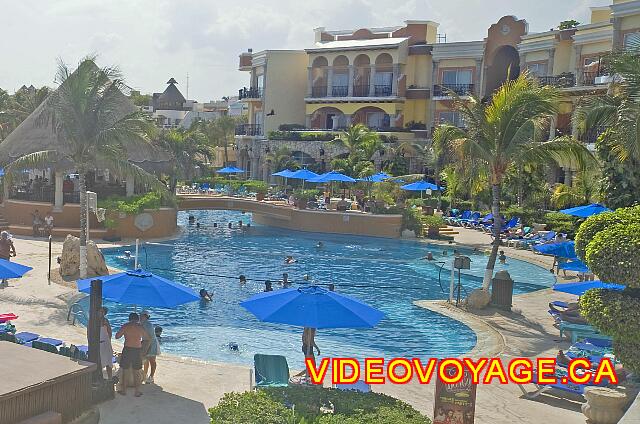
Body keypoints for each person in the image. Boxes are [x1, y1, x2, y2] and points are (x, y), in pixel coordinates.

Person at [115, 312, 149, 396]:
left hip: (127, 349)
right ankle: (137, 391)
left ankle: (124, 390)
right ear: (137, 319)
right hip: (137, 350)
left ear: (129, 319)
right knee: (136, 371)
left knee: (125, 370)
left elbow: (117, 336)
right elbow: (147, 337)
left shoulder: (125, 326)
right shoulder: (140, 327)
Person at [140, 311, 160, 384]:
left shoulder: (148, 325)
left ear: (145, 316)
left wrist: (147, 348)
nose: (140, 317)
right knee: (146, 360)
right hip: (145, 342)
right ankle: (145, 375)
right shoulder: (142, 324)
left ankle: (151, 376)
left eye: (141, 315)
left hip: (152, 343)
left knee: (152, 360)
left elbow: (150, 337)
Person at [99, 307, 114, 380]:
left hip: (106, 343)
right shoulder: (94, 321)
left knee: (108, 363)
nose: (101, 313)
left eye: (102, 312)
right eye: (100, 311)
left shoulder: (106, 321)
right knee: (99, 363)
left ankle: (110, 379)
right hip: (99, 344)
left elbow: (110, 333)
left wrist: (108, 341)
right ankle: (100, 378)